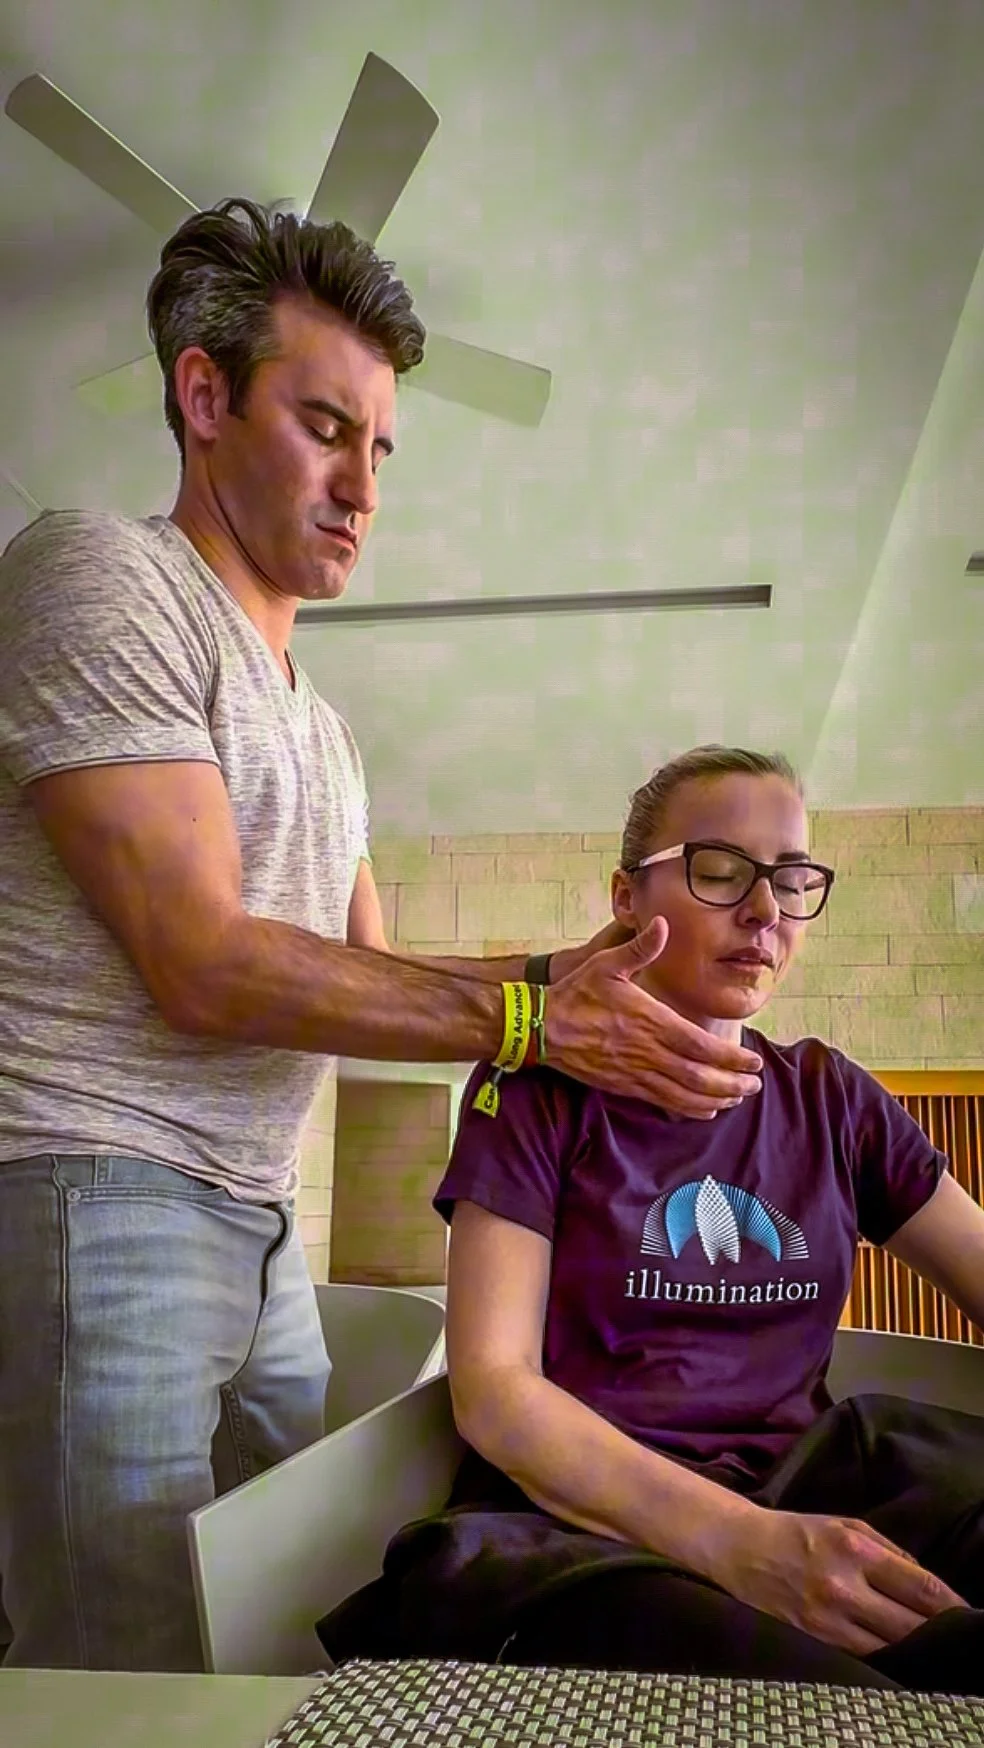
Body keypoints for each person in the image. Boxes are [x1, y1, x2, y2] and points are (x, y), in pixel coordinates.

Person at [0, 203, 764, 1674]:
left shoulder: (327, 732)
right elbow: (205, 961)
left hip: (260, 1218)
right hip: (102, 1189)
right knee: (128, 1661)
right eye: (325, 427)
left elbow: (381, 985)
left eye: (382, 449)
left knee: (298, 1618)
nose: (363, 486)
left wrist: (577, 984)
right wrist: (539, 1018)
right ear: (203, 396)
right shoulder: (101, 575)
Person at [318, 744, 984, 1695]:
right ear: (626, 898)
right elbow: (495, 1392)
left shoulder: (832, 1096)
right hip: (584, 1522)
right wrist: (741, 1542)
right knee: (815, 1697)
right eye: (720, 872)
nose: (765, 911)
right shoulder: (536, 1087)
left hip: (804, 1476)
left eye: (793, 883)